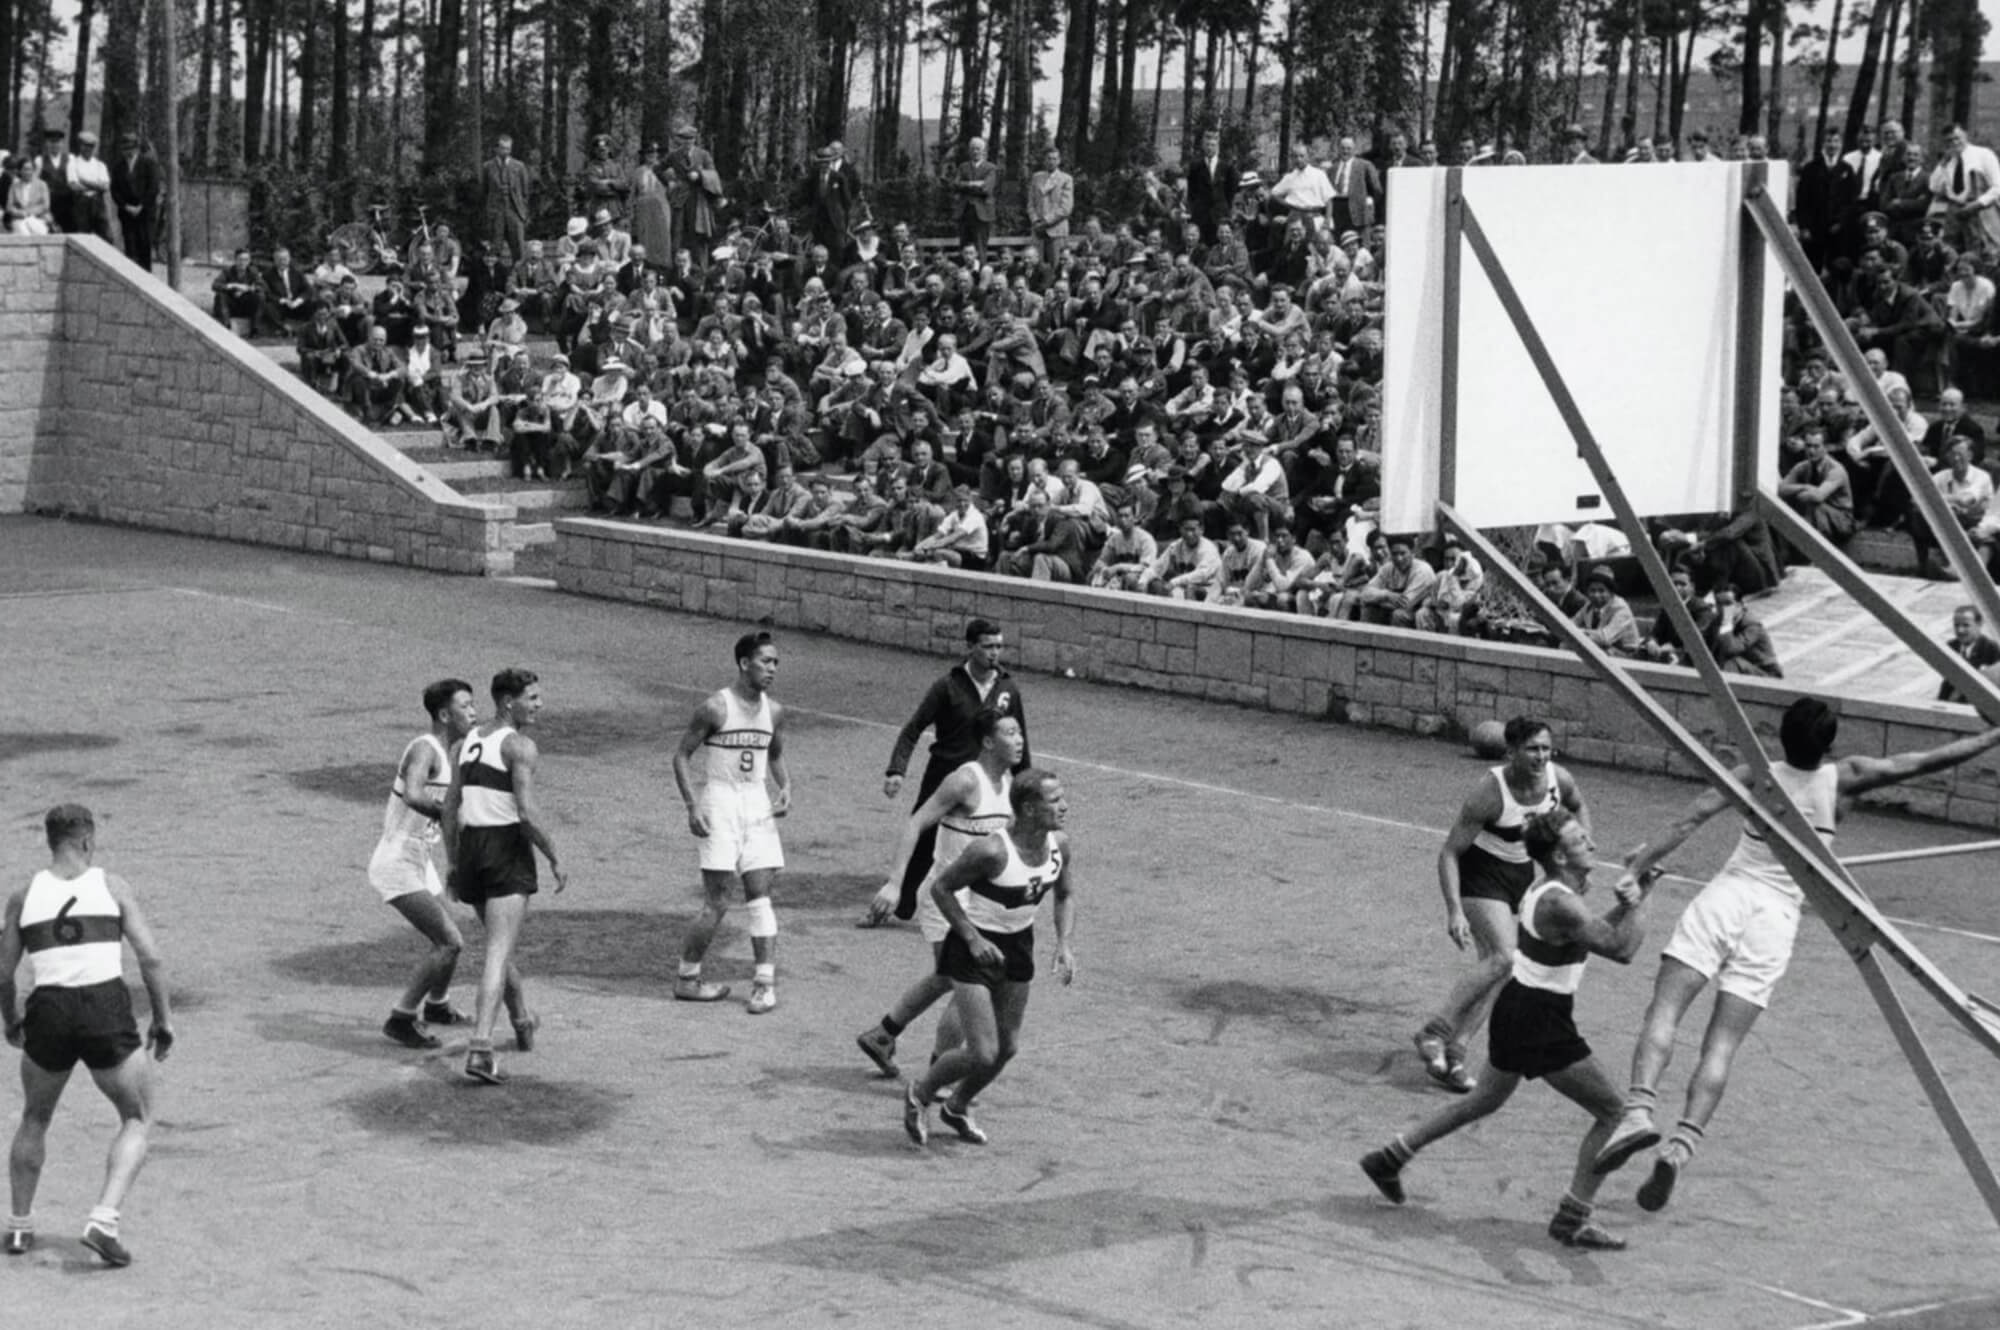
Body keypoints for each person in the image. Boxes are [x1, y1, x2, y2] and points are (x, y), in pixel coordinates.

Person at [1589, 698, 2000, 1213]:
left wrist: (1637, 867)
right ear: (1828, 744)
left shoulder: (1755, 775)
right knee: (1722, 1047)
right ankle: (1680, 1147)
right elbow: (1926, 762)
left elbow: (1688, 819)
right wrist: (1992, 737)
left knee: (1665, 1011)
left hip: (1729, 896)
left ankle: (1639, 1110)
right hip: (1776, 918)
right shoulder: (1844, 779)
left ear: (1781, 736)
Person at [1361, 808, 1652, 1251]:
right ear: (1559, 854)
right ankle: (1574, 1216)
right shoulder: (1561, 901)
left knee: (1482, 1100)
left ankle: (1389, 1158)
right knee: (1616, 1115)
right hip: (1540, 1020)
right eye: (1580, 839)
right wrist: (1639, 900)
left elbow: (1595, 932)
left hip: (1520, 1009)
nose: (1591, 843)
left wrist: (1635, 891)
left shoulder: (1555, 893)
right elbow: (1622, 948)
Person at [1, 804, 174, 1267]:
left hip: (49, 1010)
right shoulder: (113, 887)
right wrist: (163, 1019)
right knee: (137, 1117)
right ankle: (103, 1219)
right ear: (86, 842)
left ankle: (19, 1227)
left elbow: (4, 971)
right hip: (104, 1008)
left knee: (35, 1117)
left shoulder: (23, 895)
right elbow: (151, 959)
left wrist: (11, 1020)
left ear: (51, 842)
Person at [1414, 717, 1590, 1093]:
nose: (1541, 756)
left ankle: (1456, 1054)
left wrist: (1580, 853)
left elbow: (1578, 807)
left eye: (1546, 748)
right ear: (1510, 752)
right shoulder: (1490, 792)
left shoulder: (1560, 780)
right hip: (1482, 875)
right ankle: (1435, 1031)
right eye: (1532, 749)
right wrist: (1454, 910)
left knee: (1504, 971)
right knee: (1505, 957)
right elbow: (1449, 852)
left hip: (1522, 877)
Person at [902, 769, 1077, 1148]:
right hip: (973, 948)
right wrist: (972, 937)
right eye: (1055, 800)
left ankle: (958, 1106)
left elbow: (1064, 894)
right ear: (1029, 809)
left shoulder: (1059, 844)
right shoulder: (992, 851)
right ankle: (921, 1091)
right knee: (984, 1051)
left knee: (1007, 1047)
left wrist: (1063, 943)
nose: (1064, 806)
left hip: (1018, 946)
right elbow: (942, 889)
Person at [856, 708, 1023, 1081]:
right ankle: (940, 1072)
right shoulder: (964, 781)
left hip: (979, 902)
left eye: (1018, 732)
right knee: (970, 982)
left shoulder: (1009, 782)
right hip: (946, 899)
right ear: (987, 742)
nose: (1019, 739)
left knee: (949, 977)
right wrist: (896, 883)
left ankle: (884, 1034)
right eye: (1010, 733)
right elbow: (915, 823)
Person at [442, 668, 568, 1084]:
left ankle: (521, 1018)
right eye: (531, 697)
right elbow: (526, 812)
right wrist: (553, 855)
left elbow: (449, 808)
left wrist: (454, 861)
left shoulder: (465, 743)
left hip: (473, 849)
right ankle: (481, 1047)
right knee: (497, 951)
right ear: (507, 702)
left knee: (501, 943)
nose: (539, 704)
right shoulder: (520, 746)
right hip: (505, 851)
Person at [872, 619, 1032, 924]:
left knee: (986, 840)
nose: (994, 653)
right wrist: (896, 769)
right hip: (943, 774)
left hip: (987, 779)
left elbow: (1020, 737)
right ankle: (898, 901)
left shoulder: (1008, 689)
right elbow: (913, 729)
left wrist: (1027, 786)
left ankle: (979, 906)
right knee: (923, 839)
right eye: (987, 646)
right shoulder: (947, 686)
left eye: (999, 646)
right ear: (970, 647)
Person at [671, 632, 792, 1013]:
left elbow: (773, 755)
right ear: (744, 663)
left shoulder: (774, 712)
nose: (772, 669)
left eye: (775, 663)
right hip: (720, 800)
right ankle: (687, 978)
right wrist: (693, 806)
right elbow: (681, 756)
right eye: (765, 662)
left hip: (756, 802)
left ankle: (764, 984)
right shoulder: (715, 708)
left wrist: (786, 785)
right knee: (718, 902)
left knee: (760, 896)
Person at [372, 679, 477, 1050]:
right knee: (448, 942)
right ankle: (401, 1018)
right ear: (445, 714)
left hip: (420, 859)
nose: (473, 712)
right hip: (397, 862)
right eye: (466, 706)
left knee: (453, 937)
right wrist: (449, 811)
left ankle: (437, 1006)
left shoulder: (452, 754)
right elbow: (415, 794)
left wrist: (453, 866)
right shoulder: (425, 749)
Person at [108, 131, 160, 269]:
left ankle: (146, 279)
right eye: (125, 149)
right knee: (130, 247)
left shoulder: (148, 163)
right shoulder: (118, 167)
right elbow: (115, 191)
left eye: (131, 148)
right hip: (127, 213)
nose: (128, 152)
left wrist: (141, 206)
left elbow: (153, 188)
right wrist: (125, 206)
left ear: (136, 148)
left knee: (145, 245)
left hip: (145, 212)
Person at [480, 133, 533, 263]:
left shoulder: (519, 167)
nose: (506, 151)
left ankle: (519, 278)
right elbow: (484, 191)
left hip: (514, 211)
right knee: (494, 247)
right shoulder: (487, 167)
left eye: (508, 148)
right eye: (503, 148)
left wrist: (523, 212)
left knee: (518, 248)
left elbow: (525, 191)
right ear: (496, 149)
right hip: (496, 211)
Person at [1939, 604, 2000, 703]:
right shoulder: (1951, 646)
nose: (1960, 630)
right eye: (1956, 625)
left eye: (1966, 625)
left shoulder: (1992, 649)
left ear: (1979, 624)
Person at [1027, 146, 1075, 269]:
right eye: (1048, 158)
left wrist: (1046, 222)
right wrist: (1036, 221)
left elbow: (1066, 208)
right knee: (1037, 265)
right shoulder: (1036, 177)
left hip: (1056, 229)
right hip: (1038, 230)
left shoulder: (1066, 179)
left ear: (1059, 161)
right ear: (1044, 160)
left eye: (1054, 158)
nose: (1051, 161)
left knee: (1057, 265)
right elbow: (1031, 203)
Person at [955, 137, 999, 258]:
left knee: (980, 247)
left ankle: (981, 273)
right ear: (969, 151)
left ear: (984, 151)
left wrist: (966, 186)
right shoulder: (963, 167)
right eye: (973, 149)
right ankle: (964, 275)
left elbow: (986, 189)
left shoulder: (990, 168)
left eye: (978, 149)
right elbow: (956, 184)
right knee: (964, 247)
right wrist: (973, 184)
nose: (975, 152)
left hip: (982, 213)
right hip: (964, 212)